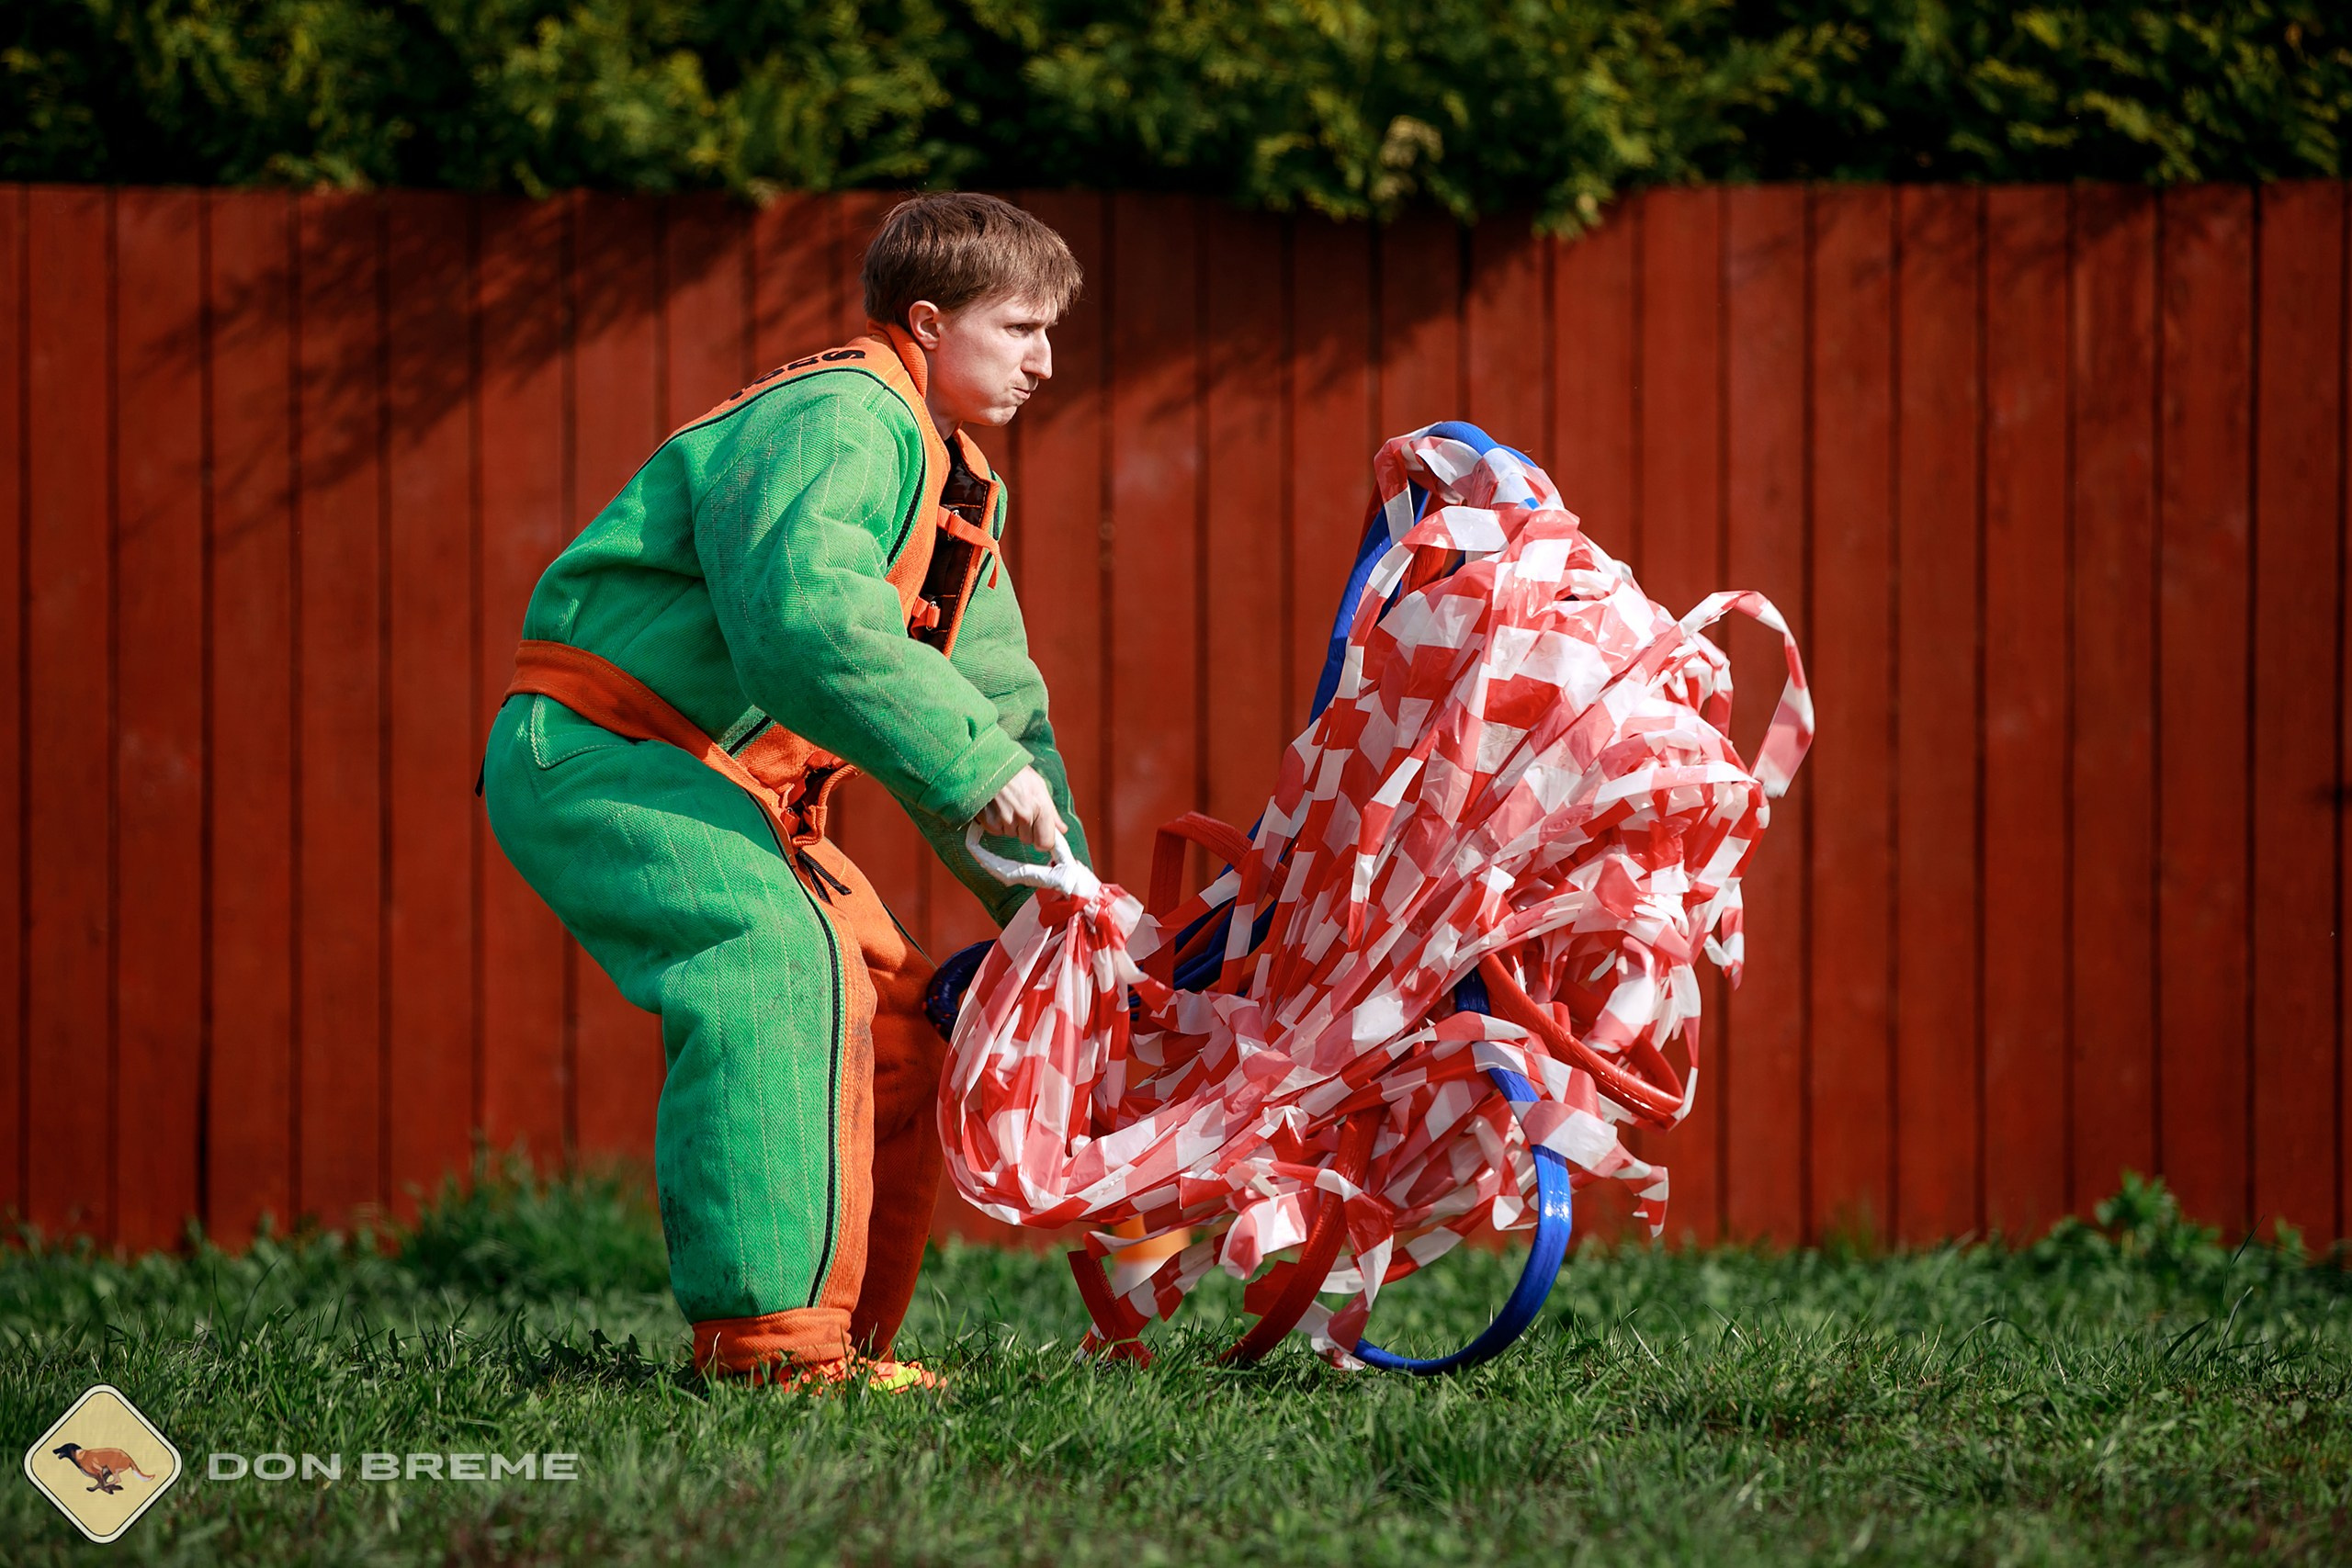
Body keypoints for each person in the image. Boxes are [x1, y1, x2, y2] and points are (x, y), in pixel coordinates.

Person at [482, 193, 1090, 1391]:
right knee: (773, 953)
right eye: (1020, 327)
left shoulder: (962, 487)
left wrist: (1060, 911)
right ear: (928, 321)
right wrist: (976, 767)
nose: (1045, 360)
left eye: (1049, 330)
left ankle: (845, 1348)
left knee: (903, 1021)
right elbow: (804, 627)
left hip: (721, 786)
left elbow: (999, 710)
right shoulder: (843, 414)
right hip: (605, 746)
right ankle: (769, 1353)